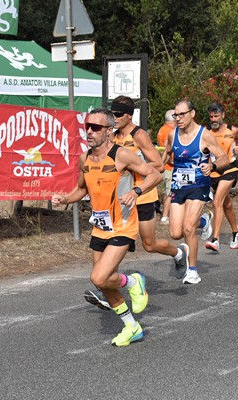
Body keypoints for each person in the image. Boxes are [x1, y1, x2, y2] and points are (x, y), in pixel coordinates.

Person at [52, 108, 162, 346]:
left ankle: (133, 282)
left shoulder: (122, 155)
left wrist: (136, 191)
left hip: (122, 226)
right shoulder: (85, 158)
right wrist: (65, 199)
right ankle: (132, 327)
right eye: (87, 127)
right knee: (101, 281)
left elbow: (155, 174)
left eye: (96, 127)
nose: (89, 131)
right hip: (100, 227)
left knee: (99, 276)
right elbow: (82, 189)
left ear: (109, 131)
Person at [84, 100, 189, 310]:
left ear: (129, 116)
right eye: (112, 114)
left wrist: (131, 165)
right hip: (120, 201)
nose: (115, 117)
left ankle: (179, 254)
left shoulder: (138, 135)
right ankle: (106, 286)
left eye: (118, 114)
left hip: (142, 196)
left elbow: (158, 165)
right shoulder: (109, 136)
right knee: (114, 242)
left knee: (149, 245)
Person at [161, 99, 229, 284]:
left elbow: (224, 159)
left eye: (182, 114)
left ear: (192, 113)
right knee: (175, 233)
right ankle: (204, 221)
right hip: (178, 186)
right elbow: (167, 152)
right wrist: (159, 167)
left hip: (199, 185)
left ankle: (193, 271)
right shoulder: (172, 134)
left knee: (188, 228)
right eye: (176, 115)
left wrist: (212, 165)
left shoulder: (204, 135)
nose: (178, 118)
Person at [204, 102, 238, 252]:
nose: (214, 120)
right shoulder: (206, 132)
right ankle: (236, 231)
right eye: (211, 117)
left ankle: (215, 239)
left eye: (216, 116)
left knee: (217, 201)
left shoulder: (232, 130)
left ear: (223, 115)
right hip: (213, 171)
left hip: (230, 168)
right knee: (226, 204)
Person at [156, 109, 176, 225]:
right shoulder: (169, 132)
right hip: (169, 167)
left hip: (164, 166)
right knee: (169, 192)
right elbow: (167, 150)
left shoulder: (162, 129)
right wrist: (174, 162)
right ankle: (164, 217)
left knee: (168, 192)